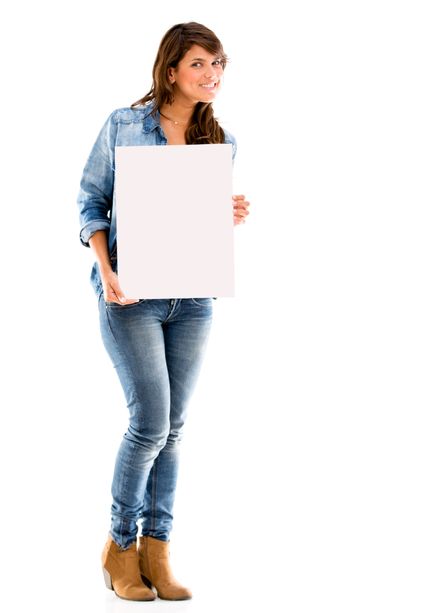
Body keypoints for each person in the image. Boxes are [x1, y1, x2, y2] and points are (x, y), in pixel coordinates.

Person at [76, 22, 250, 602]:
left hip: (193, 297)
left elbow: (189, 222)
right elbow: (91, 203)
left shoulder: (219, 139)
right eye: (200, 64)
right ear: (171, 68)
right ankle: (119, 546)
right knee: (149, 422)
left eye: (218, 64)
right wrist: (108, 274)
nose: (212, 76)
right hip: (131, 296)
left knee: (173, 430)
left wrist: (224, 214)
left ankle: (158, 550)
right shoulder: (124, 125)